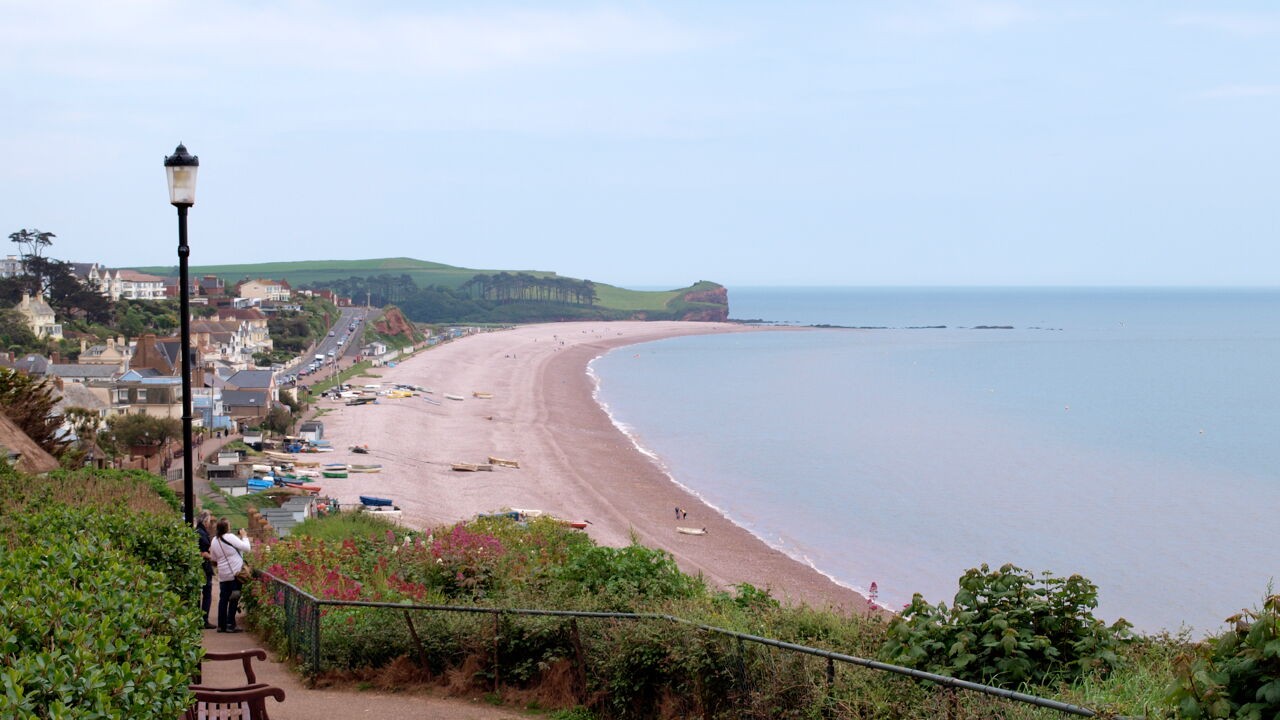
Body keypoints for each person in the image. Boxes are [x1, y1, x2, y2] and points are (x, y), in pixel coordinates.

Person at [208, 517, 252, 633]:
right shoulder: (230, 537)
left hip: (223, 575)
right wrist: (244, 536)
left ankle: (221, 625)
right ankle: (230, 624)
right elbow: (247, 548)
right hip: (235, 574)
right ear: (226, 528)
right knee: (234, 598)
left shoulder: (214, 540)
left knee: (223, 599)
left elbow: (213, 558)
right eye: (229, 525)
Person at [195, 510, 216, 630]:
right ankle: (204, 620)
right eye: (208, 521)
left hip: (199, 567)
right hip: (204, 567)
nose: (209, 523)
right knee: (207, 593)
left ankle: (197, 618)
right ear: (205, 521)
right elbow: (202, 552)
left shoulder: (197, 531)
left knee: (198, 593)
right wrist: (212, 557)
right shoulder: (202, 533)